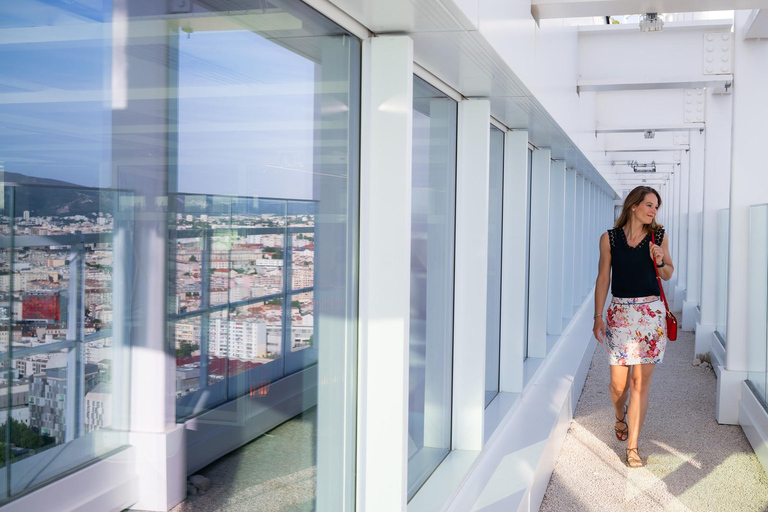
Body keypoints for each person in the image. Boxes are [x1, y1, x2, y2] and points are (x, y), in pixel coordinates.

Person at [592, 186, 674, 468]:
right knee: (618, 386)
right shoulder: (609, 239)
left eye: (656, 207)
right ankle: (619, 414)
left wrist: (659, 259)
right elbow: (603, 278)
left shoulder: (658, 237)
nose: (653, 211)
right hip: (620, 315)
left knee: (641, 383)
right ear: (633, 206)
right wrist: (597, 316)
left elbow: (668, 273)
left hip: (651, 316)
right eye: (649, 205)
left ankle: (633, 446)